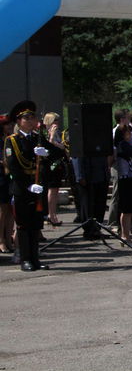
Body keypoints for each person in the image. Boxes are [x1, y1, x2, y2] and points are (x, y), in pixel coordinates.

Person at [4, 101, 65, 271]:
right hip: (23, 189)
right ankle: (26, 260)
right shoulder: (13, 141)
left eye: (33, 117)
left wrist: (47, 152)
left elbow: (59, 154)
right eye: (27, 118)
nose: (31, 120)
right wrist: (29, 186)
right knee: (24, 225)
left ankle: (35, 259)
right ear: (19, 121)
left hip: (38, 187)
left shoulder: (38, 138)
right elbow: (14, 167)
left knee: (36, 224)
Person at [41, 112, 67, 227]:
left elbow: (61, 146)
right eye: (55, 120)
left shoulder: (57, 133)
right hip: (50, 165)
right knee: (51, 190)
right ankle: (50, 214)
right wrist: (53, 138)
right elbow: (50, 145)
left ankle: (53, 213)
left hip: (57, 164)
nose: (57, 123)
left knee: (55, 190)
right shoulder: (46, 133)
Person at [0, 113, 15, 253]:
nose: (9, 126)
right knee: (2, 211)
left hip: (12, 177)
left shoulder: (12, 139)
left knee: (11, 210)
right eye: (7, 124)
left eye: (11, 124)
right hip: (1, 177)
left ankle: (9, 238)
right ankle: (1, 240)